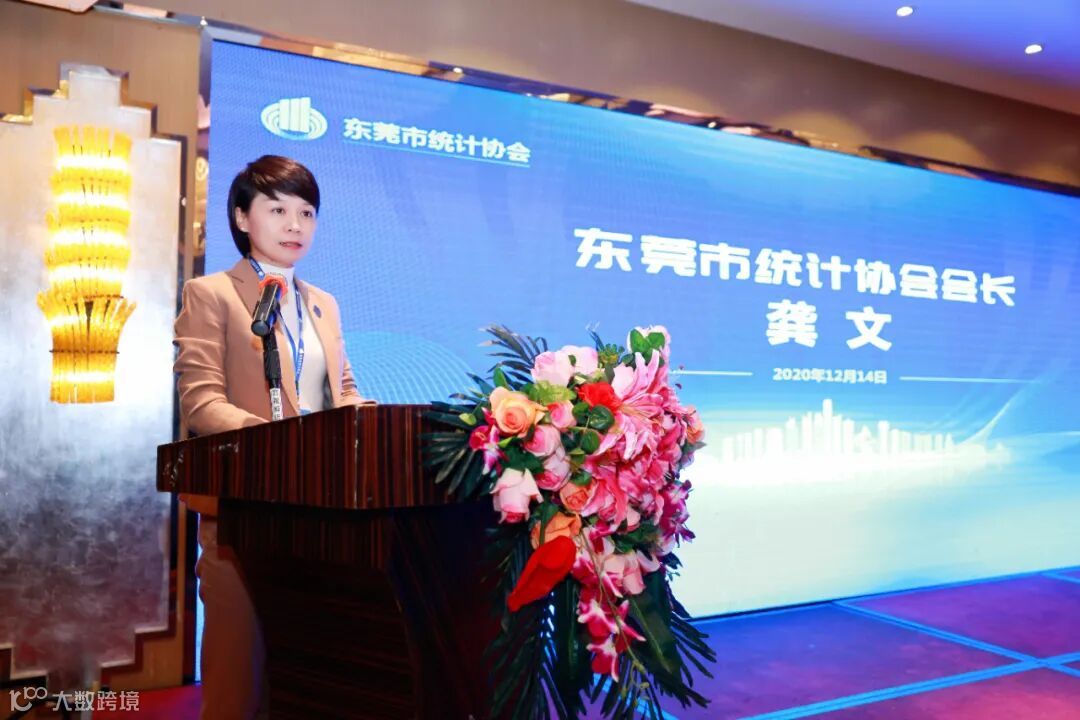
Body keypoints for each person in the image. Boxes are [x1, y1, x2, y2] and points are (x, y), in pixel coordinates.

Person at [173, 155, 373, 719]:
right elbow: (202, 405)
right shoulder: (211, 293)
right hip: (245, 515)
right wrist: (281, 446)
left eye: (306, 213)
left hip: (320, 519)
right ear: (242, 218)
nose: (295, 225)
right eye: (278, 210)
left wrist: (372, 420)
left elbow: (342, 391)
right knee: (239, 689)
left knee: (306, 685)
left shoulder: (323, 304)